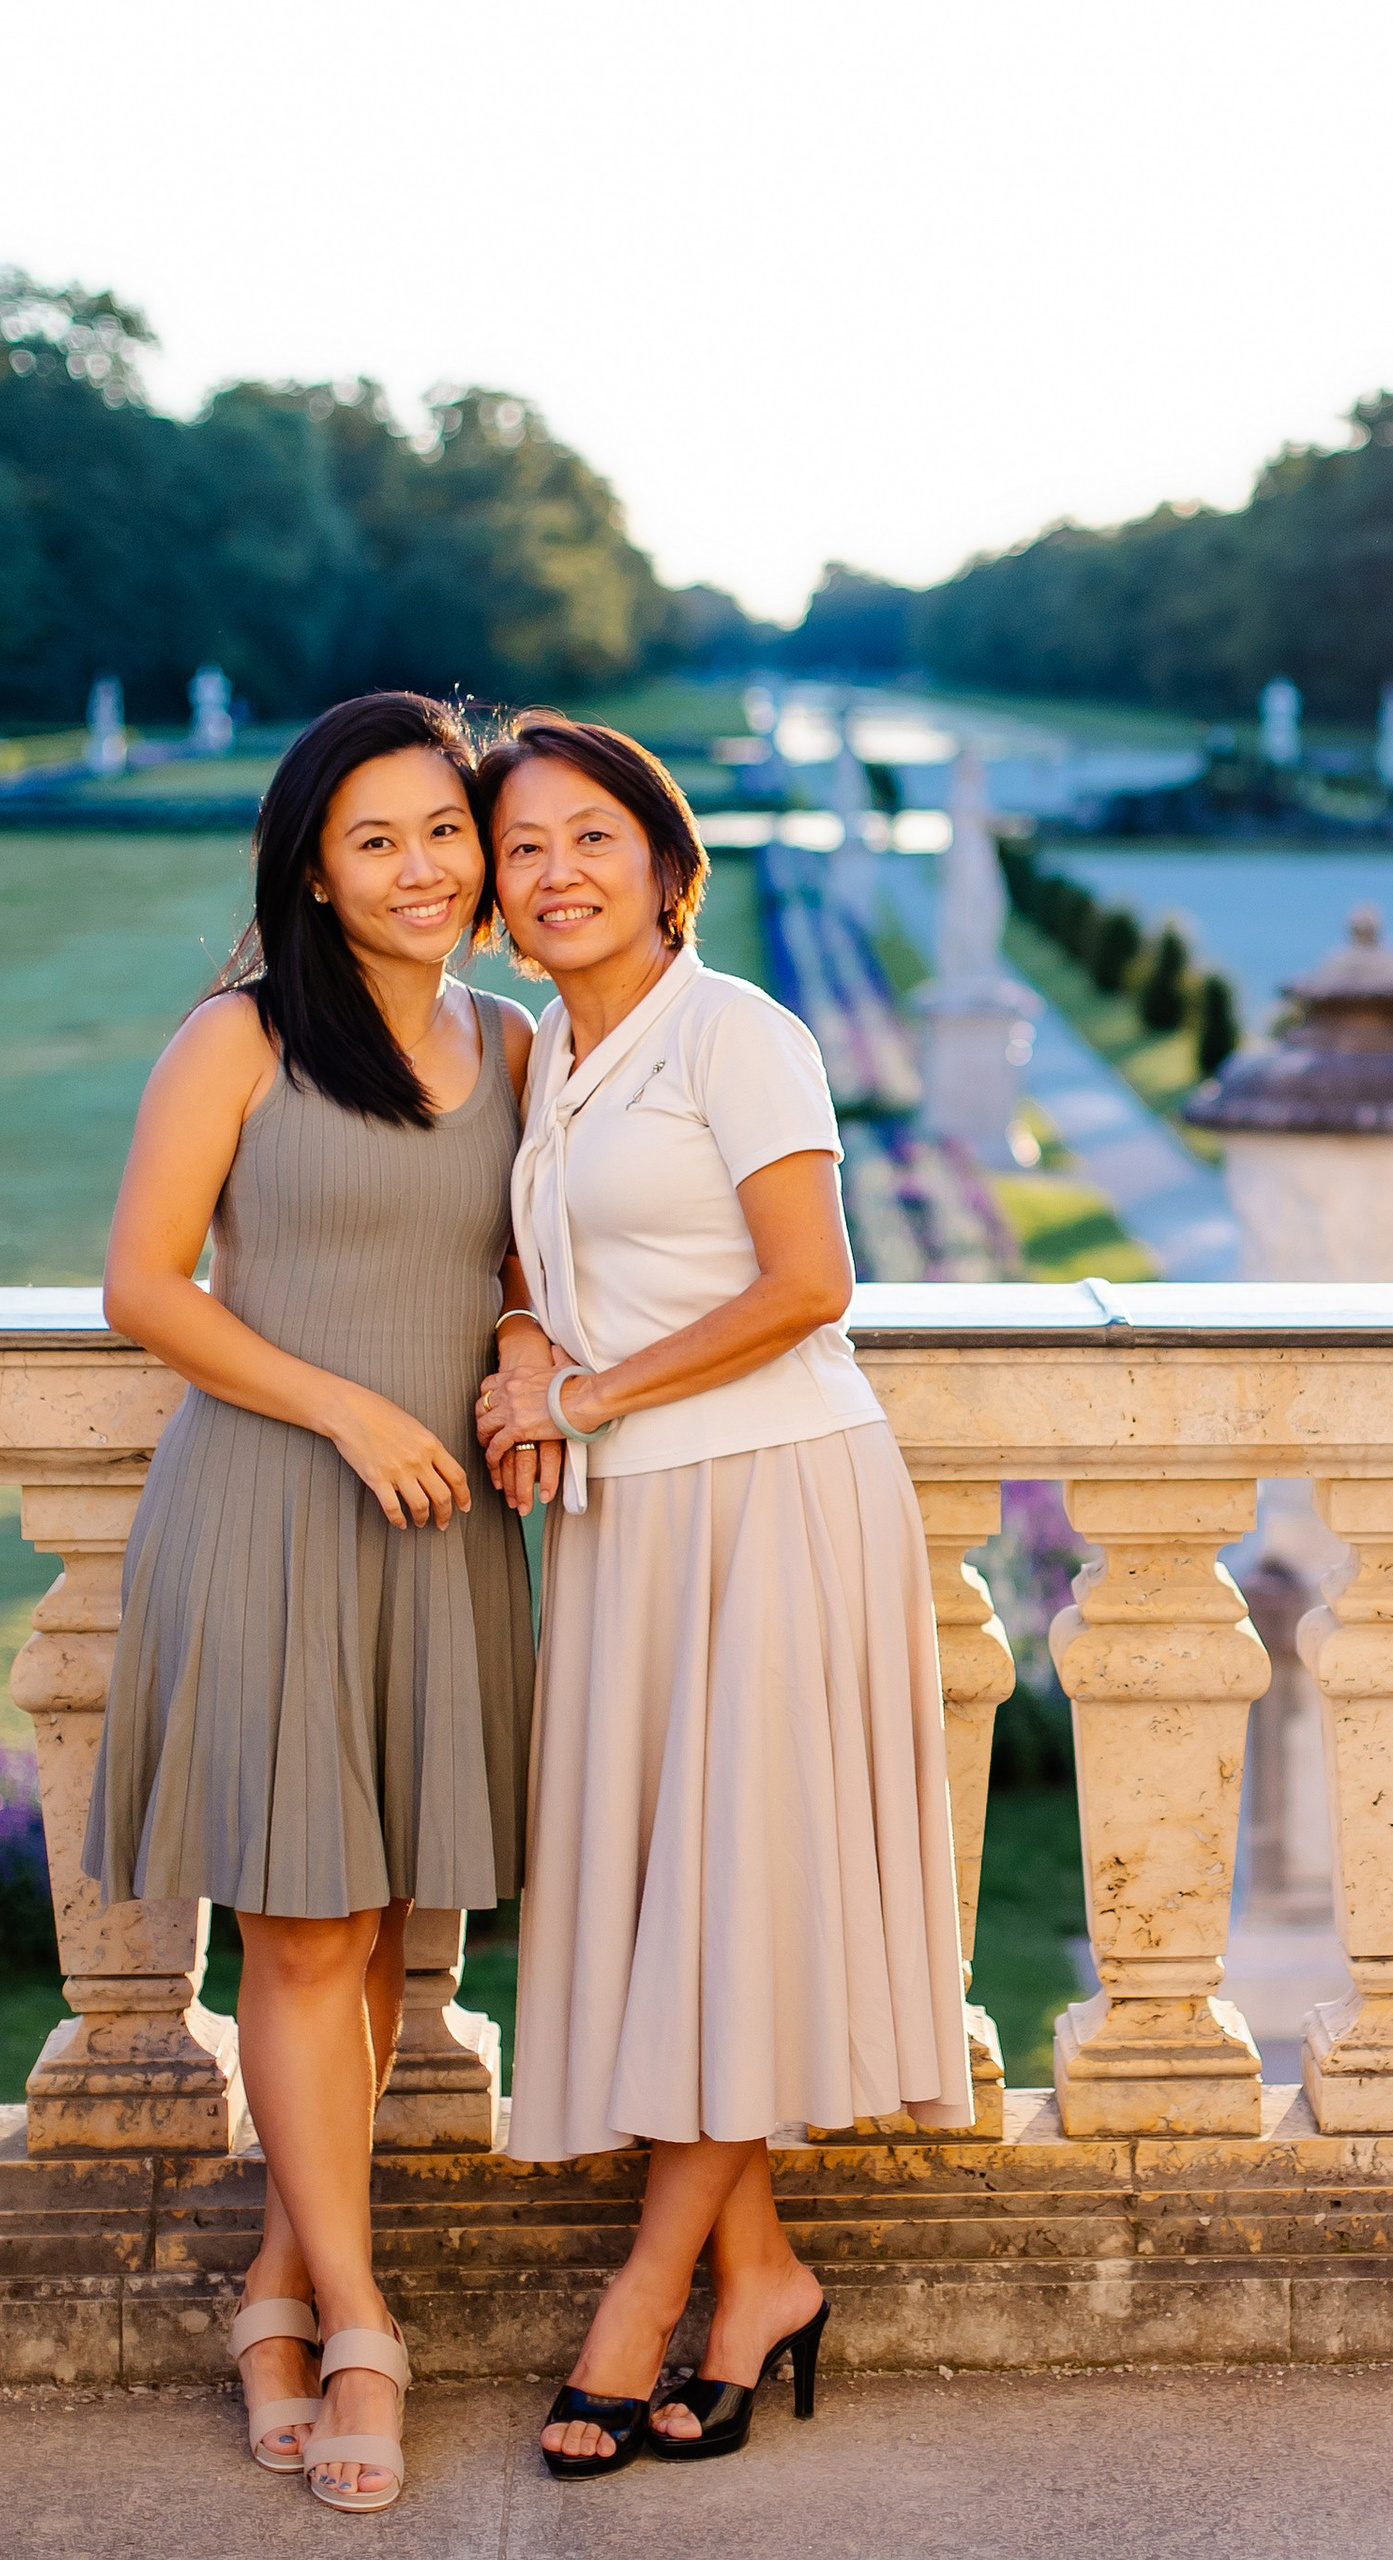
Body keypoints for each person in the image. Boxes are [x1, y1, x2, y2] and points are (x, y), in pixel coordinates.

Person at [470, 714, 970, 2477]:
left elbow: (811, 1282)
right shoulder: (547, 1047)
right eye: (522, 848)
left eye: (591, 837)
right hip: (631, 1527)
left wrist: (582, 1395)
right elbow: (534, 1250)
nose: (557, 874)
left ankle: (644, 2300)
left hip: (772, 1499)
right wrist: (523, 1341)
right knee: (689, 1915)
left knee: (726, 1902)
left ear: (668, 866)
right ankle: (762, 2277)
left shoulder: (739, 1030)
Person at [86, 691, 550, 2514]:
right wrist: (347, 1408)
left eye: (446, 830)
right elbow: (144, 1286)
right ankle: (358, 2319)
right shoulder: (243, 1035)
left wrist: (522, 1343)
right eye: (376, 840)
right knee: (297, 1935)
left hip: (440, 1529)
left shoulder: (512, 1042)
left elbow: (523, 1264)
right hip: (279, 1504)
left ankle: (277, 2292)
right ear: (312, 868)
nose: (423, 868)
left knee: (372, 1933)